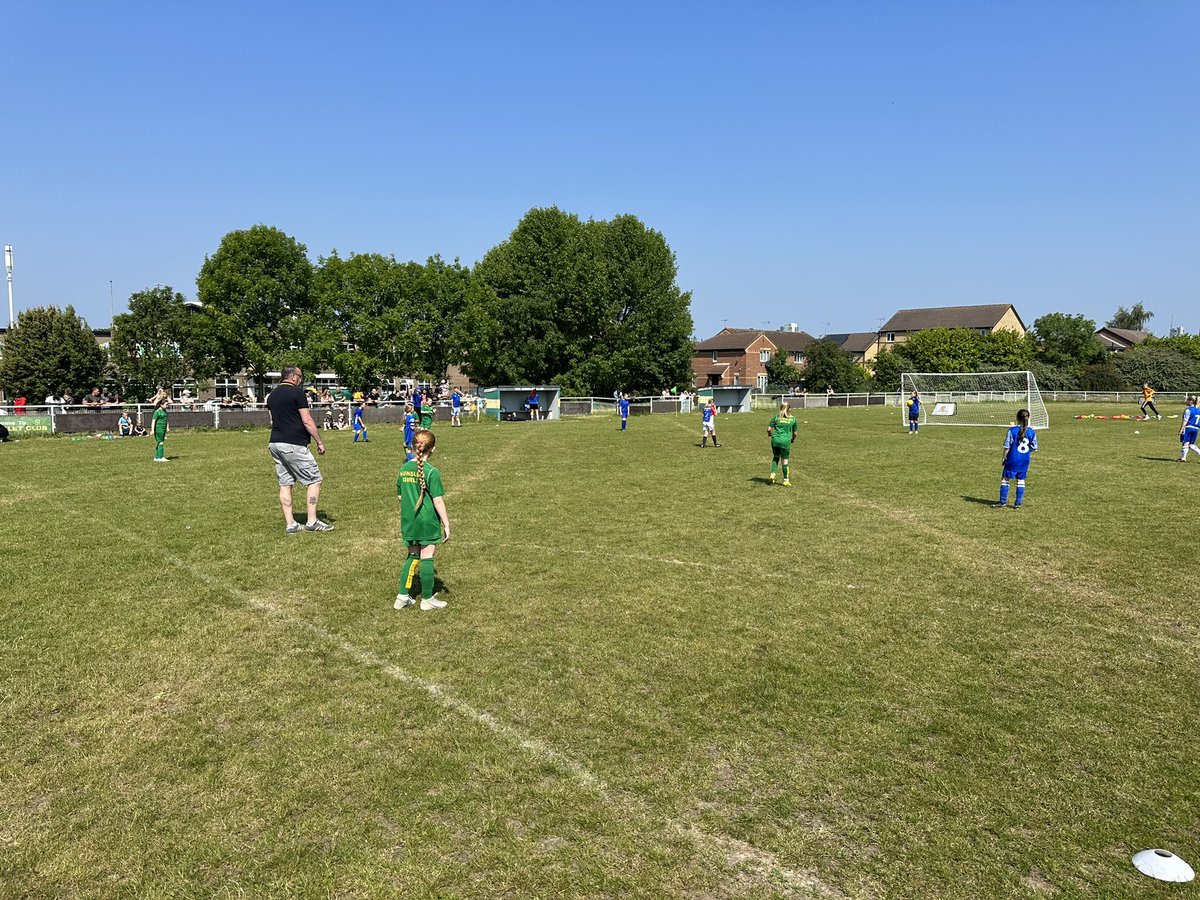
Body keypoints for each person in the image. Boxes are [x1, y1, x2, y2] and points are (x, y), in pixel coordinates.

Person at [266, 365, 332, 533]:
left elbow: (272, 421)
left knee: (285, 482)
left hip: (275, 442)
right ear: (294, 377)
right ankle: (312, 521)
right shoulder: (297, 393)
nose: (301, 379)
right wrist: (319, 441)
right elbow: (307, 420)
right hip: (293, 444)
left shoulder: (271, 395)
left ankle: (291, 524)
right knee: (314, 479)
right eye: (300, 376)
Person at [394, 429, 451, 611]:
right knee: (427, 557)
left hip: (409, 521)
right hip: (427, 521)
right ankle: (426, 599)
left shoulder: (403, 469)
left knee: (412, 556)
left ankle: (402, 597)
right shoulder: (431, 472)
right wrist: (447, 524)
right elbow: (438, 500)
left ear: (412, 446)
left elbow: (401, 497)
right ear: (432, 449)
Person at [993, 408, 1038, 509]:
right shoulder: (1031, 432)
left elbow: (1007, 446)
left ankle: (1003, 502)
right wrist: (1026, 452)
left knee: (1005, 478)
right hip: (1024, 460)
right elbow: (1034, 447)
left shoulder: (1012, 430)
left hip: (1013, 459)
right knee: (1021, 480)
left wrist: (1004, 458)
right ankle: (1018, 503)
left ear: (1017, 418)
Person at [767, 401, 798, 485]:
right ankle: (786, 480)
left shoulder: (776, 418)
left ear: (780, 409)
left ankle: (773, 474)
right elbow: (795, 433)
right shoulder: (793, 419)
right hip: (785, 442)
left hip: (775, 441)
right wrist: (792, 440)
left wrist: (769, 434)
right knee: (785, 461)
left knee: (776, 457)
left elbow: (769, 429)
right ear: (789, 409)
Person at [1179, 395, 1200, 463]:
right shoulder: (1198, 410)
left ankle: (1183, 459)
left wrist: (1181, 429)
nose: (1186, 401)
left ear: (1190, 401)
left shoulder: (1188, 410)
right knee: (1191, 444)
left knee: (1185, 443)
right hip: (1196, 428)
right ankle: (1183, 458)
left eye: (1187, 400)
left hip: (1188, 428)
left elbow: (1185, 420)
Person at [151, 397, 170, 462]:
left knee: (159, 442)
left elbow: (166, 419)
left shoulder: (164, 411)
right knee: (161, 442)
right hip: (159, 429)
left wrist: (167, 427)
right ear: (161, 405)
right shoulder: (157, 412)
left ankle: (156, 457)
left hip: (163, 429)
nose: (167, 406)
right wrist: (152, 430)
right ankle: (161, 457)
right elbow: (153, 421)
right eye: (166, 405)